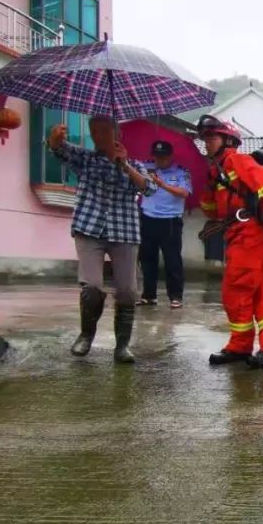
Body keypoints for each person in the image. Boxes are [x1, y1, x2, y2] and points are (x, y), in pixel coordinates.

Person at [47, 115, 157, 364]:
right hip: (89, 228)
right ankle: (87, 334)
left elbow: (148, 188)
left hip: (124, 231)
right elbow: (60, 152)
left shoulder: (134, 164)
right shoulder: (86, 159)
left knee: (128, 291)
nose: (98, 136)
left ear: (116, 133)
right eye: (93, 131)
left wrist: (125, 165)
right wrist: (53, 140)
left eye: (104, 131)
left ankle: (122, 345)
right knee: (92, 286)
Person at [197, 115, 263, 369]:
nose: (207, 144)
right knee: (261, 292)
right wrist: (209, 185)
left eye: (211, 138)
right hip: (240, 234)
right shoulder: (218, 172)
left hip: (250, 235)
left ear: (228, 140)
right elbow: (211, 211)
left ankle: (240, 345)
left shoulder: (237, 160)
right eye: (205, 139)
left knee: (235, 290)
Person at [138, 139, 192, 308]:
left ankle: (175, 296)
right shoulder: (145, 168)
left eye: (163, 157)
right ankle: (149, 295)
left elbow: (184, 192)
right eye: (156, 157)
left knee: (172, 260)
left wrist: (162, 184)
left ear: (170, 156)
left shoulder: (181, 172)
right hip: (147, 217)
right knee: (147, 259)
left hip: (170, 220)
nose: (159, 160)